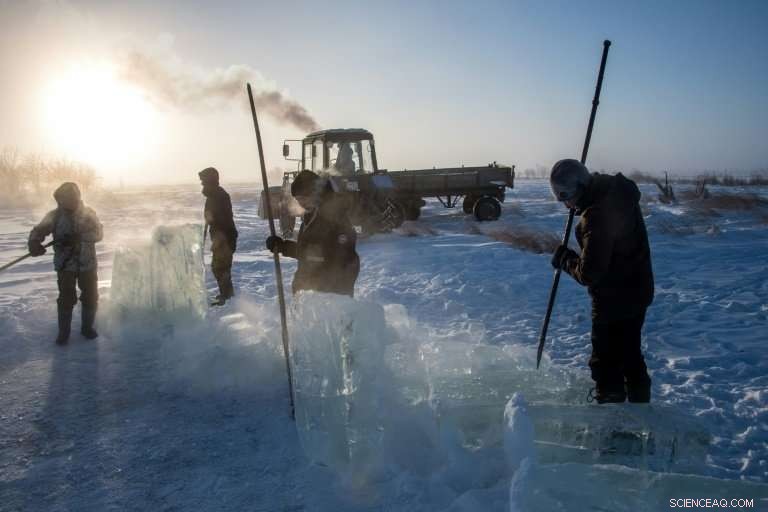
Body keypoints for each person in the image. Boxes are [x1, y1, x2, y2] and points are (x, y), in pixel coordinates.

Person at [549, 159, 654, 404]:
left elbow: (589, 273)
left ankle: (612, 415)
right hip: (637, 288)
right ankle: (640, 410)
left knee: (605, 361)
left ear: (580, 188)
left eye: (566, 197)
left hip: (613, 298)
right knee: (629, 353)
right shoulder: (614, 191)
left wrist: (565, 259)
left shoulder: (597, 216)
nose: (566, 205)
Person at [28, 182, 103, 345]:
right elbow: (38, 231)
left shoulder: (89, 213)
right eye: (65, 198)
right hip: (65, 266)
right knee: (66, 298)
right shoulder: (54, 216)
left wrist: (81, 237)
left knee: (90, 297)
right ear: (60, 200)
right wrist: (34, 243)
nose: (71, 200)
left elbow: (99, 233)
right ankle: (64, 333)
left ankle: (87, 328)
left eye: (73, 196)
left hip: (87, 264)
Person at [265, 170, 360, 296]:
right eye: (298, 199)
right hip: (313, 294)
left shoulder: (335, 216)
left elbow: (338, 256)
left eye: (304, 198)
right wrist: (282, 246)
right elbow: (306, 252)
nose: (301, 203)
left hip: (330, 294)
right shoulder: (311, 215)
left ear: (315, 193)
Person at [199, 167, 238, 306]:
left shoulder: (219, 196)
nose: (202, 185)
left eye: (204, 182)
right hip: (220, 238)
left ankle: (226, 297)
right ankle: (226, 295)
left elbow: (224, 219)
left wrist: (212, 219)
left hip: (225, 238)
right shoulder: (212, 196)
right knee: (219, 268)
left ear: (211, 181)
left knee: (221, 268)